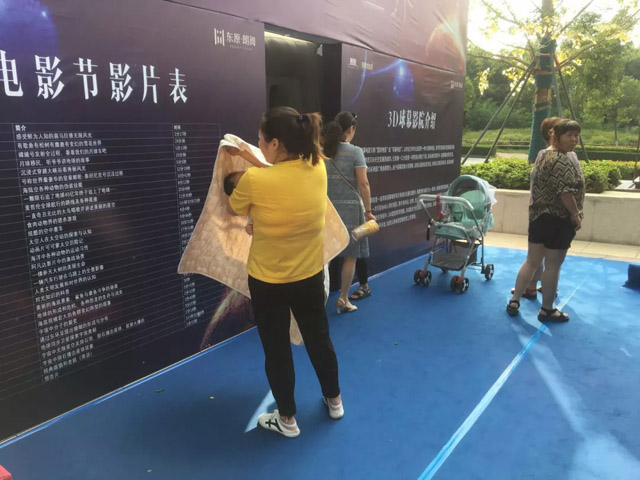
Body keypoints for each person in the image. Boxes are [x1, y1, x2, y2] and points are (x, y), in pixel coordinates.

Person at [226, 107, 343, 438]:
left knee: (276, 350)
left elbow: (235, 205)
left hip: (268, 283)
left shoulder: (254, 180)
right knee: (319, 339)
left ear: (275, 143)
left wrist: (245, 163)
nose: (259, 145)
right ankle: (335, 401)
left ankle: (287, 420)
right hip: (309, 277)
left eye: (260, 140)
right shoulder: (317, 168)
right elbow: (281, 178)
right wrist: (250, 157)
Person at [507, 119, 585, 321]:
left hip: (538, 217)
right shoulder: (563, 160)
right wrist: (575, 214)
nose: (574, 140)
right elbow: (566, 193)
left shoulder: (543, 155)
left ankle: (515, 299)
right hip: (558, 219)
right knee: (552, 266)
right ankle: (547, 309)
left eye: (576, 135)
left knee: (532, 261)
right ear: (556, 136)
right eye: (569, 135)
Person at [323, 112, 375, 312]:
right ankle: (343, 299)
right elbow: (364, 184)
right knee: (350, 256)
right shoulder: (355, 152)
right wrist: (368, 211)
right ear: (351, 129)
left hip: (328, 210)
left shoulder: (323, 151)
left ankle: (319, 298)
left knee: (325, 257)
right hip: (352, 210)